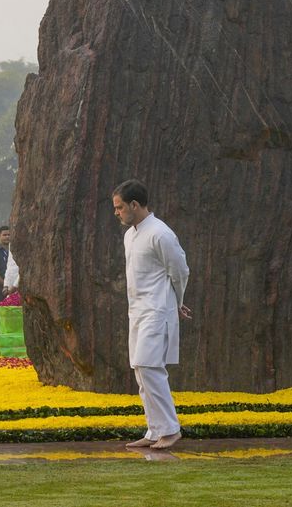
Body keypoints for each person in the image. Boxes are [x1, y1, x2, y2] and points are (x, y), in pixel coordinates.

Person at [112, 179, 190, 451]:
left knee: (149, 367)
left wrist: (177, 302)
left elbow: (180, 270)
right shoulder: (129, 235)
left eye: (120, 207)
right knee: (140, 370)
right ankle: (155, 429)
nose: (117, 212)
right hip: (138, 311)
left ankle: (170, 429)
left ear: (135, 204)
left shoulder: (160, 233)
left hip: (158, 310)